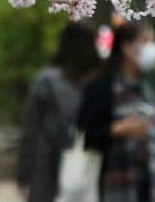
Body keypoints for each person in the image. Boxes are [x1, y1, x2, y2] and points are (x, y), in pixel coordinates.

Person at [77, 21, 155, 202]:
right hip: (112, 184)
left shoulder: (148, 88)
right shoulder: (102, 88)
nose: (151, 47)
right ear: (126, 47)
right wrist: (119, 129)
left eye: (152, 41)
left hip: (149, 185)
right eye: (145, 40)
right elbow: (88, 136)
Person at [16, 22, 102, 202]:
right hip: (87, 165)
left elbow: (31, 129)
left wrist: (23, 174)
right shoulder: (99, 82)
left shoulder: (47, 80)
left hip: (46, 166)